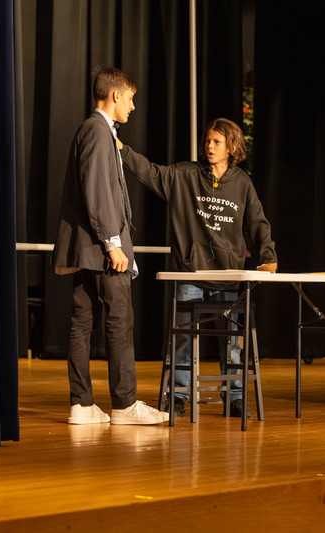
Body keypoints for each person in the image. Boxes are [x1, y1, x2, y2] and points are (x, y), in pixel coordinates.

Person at [117, 117, 277, 417]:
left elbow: (258, 222)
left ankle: (236, 396)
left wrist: (268, 255)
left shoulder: (242, 183)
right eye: (208, 141)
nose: (209, 147)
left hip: (228, 276)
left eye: (217, 142)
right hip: (192, 274)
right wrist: (123, 150)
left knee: (232, 341)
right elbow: (150, 172)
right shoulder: (185, 174)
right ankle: (178, 395)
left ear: (231, 146)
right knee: (183, 339)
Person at [51, 67, 168, 426]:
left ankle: (82, 405)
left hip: (88, 248)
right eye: (130, 98)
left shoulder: (99, 132)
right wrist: (114, 245)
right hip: (102, 250)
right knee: (119, 320)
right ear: (115, 95)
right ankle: (124, 404)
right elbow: (98, 192)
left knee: (83, 321)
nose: (133, 106)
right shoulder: (97, 130)